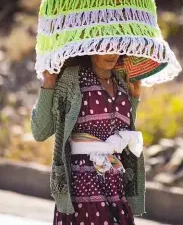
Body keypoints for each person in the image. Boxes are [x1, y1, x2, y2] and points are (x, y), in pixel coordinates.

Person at [31, 54, 145, 225]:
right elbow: (40, 131)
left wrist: (133, 98)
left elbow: (121, 132)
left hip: (115, 184)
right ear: (91, 48)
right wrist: (49, 83)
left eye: (116, 46)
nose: (112, 53)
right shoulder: (72, 79)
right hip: (82, 185)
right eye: (105, 46)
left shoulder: (122, 83)